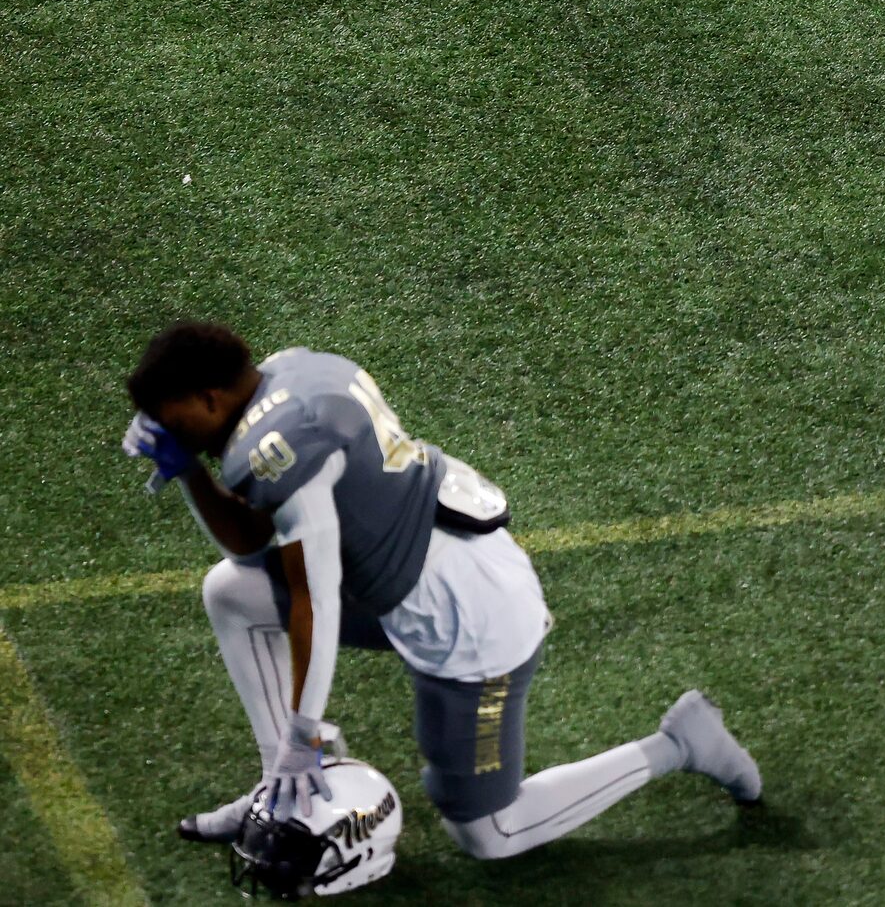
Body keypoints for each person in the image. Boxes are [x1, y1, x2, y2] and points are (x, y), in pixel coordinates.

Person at [120, 322, 760, 860]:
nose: (178, 436)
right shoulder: (294, 371)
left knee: (487, 832)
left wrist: (303, 733)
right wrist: (185, 474)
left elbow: (312, 597)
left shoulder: (285, 451)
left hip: (469, 625)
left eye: (177, 425)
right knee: (232, 593)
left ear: (208, 398)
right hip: (414, 572)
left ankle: (680, 744)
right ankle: (285, 795)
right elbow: (248, 544)